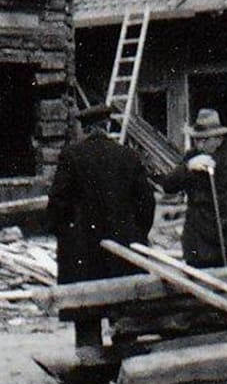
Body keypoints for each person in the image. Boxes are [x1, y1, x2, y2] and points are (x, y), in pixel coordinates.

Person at [46, 103, 158, 348]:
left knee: (86, 311)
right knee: (125, 312)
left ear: (84, 129)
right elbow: (146, 202)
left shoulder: (72, 156)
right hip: (123, 250)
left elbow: (57, 203)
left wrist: (67, 237)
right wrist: (137, 235)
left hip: (83, 252)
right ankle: (127, 362)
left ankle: (91, 367)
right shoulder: (128, 155)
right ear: (107, 126)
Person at [158, 108, 227, 269]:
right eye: (196, 140)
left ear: (218, 138)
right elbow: (168, 186)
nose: (199, 144)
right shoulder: (192, 157)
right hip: (197, 245)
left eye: (204, 140)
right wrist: (187, 168)